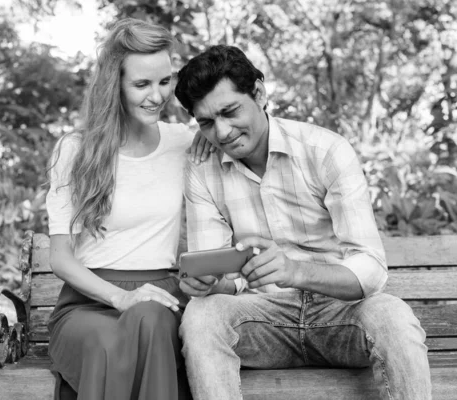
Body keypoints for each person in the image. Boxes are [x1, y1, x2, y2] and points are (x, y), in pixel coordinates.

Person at [174, 45, 431, 400]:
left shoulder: (325, 151)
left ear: (260, 94)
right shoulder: (203, 170)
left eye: (229, 112)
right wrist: (208, 283)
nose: (222, 133)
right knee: (202, 314)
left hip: (341, 316)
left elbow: (371, 270)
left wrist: (293, 271)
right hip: (263, 322)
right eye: (206, 122)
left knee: (391, 315)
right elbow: (225, 281)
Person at [45, 18, 211, 400]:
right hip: (89, 301)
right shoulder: (75, 150)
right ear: (114, 84)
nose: (157, 96)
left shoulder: (184, 143)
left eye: (165, 81)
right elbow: (60, 258)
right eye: (141, 84)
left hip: (161, 294)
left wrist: (210, 135)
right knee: (107, 339)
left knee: (150, 317)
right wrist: (120, 298)